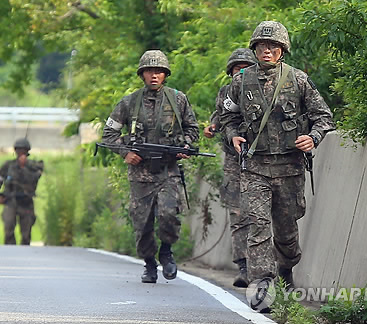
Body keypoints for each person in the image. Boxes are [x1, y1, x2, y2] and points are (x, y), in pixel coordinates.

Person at [220, 21, 335, 289]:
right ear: (255, 49)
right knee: (258, 226)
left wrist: (313, 138)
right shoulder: (240, 81)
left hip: (289, 167)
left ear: (282, 50)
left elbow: (324, 117)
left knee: (286, 232)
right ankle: (262, 283)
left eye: (273, 46)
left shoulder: (298, 80)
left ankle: (286, 267)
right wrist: (232, 134)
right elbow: (228, 117)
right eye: (262, 45)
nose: (267, 51)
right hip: (255, 167)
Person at [102, 50, 199, 283]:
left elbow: (192, 130)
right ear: (142, 74)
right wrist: (126, 152)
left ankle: (166, 251)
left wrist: (184, 146)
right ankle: (149, 264)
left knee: (168, 214)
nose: (154, 75)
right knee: (142, 222)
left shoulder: (178, 100)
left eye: (158, 71)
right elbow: (109, 134)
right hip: (140, 174)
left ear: (165, 74)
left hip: (169, 171)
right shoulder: (129, 102)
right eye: (149, 71)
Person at [204, 48, 257, 288]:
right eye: (237, 69)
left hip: (261, 160)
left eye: (246, 68)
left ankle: (265, 268)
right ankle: (244, 266)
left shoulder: (264, 89)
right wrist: (212, 127)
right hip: (234, 161)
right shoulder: (226, 93)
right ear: (230, 72)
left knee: (261, 215)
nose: (241, 72)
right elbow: (220, 116)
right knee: (237, 214)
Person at [0, 138, 44, 245]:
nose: (21, 152)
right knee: (8, 227)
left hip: (26, 201)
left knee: (26, 233)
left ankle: (24, 254)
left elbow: (34, 178)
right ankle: (10, 251)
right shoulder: (8, 165)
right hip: (11, 200)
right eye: (19, 150)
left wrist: (23, 167)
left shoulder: (34, 166)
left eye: (23, 150)